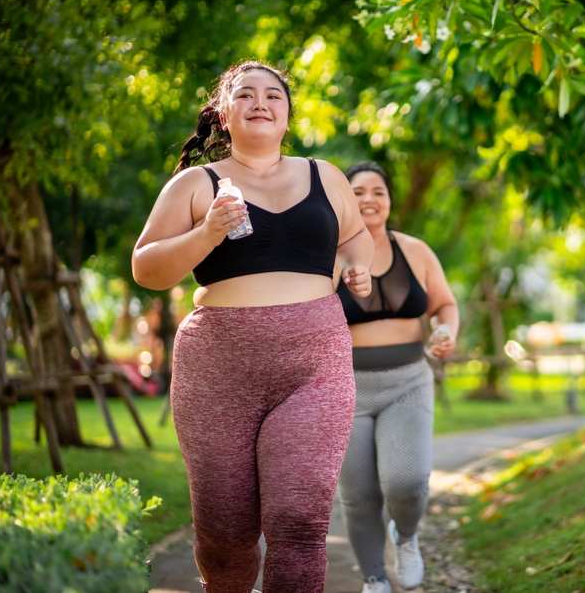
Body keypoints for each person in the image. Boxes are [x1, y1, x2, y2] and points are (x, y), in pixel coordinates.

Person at [132, 60, 373, 593]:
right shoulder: (195, 184)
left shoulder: (324, 176)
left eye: (274, 95)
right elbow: (146, 268)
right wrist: (206, 234)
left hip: (314, 363)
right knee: (226, 532)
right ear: (224, 113)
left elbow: (355, 237)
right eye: (245, 94)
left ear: (287, 116)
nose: (260, 102)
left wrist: (357, 264)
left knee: (300, 522)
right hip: (218, 370)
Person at [335, 162, 459, 593]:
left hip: (407, 383)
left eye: (378, 191)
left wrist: (446, 332)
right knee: (358, 496)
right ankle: (374, 579)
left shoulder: (416, 251)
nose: (369, 199)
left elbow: (444, 304)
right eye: (357, 192)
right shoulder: (324, 256)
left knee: (405, 483)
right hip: (344, 388)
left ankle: (405, 536)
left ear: (389, 200)